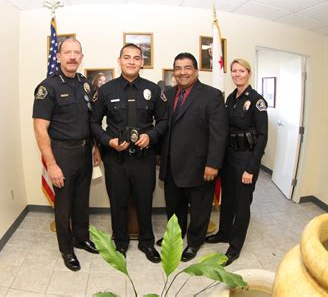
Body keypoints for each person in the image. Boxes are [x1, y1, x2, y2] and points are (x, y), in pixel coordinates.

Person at [90, 44, 168, 263]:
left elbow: (163, 121)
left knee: (145, 201)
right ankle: (121, 243)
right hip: (116, 158)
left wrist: (151, 136)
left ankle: (146, 243)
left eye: (136, 58)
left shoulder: (153, 90)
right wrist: (108, 141)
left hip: (144, 158)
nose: (131, 61)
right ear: (119, 60)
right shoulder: (105, 91)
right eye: (127, 57)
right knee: (118, 202)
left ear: (142, 62)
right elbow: (94, 122)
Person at [32, 38, 101, 272]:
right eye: (67, 52)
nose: (72, 57)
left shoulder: (85, 84)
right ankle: (67, 249)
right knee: (64, 205)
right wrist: (51, 164)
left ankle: (81, 239)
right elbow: (40, 128)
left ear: (82, 57)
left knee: (82, 201)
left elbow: (88, 120)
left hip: (84, 151)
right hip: (61, 153)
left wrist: (95, 147)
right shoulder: (47, 87)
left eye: (77, 53)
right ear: (59, 56)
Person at [158, 52, 227, 262]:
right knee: (174, 207)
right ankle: (175, 238)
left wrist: (213, 164)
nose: (182, 72)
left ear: (196, 71)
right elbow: (165, 128)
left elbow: (219, 133)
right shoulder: (168, 95)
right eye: (178, 68)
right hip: (172, 164)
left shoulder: (212, 95)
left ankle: (195, 242)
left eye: (187, 68)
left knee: (199, 209)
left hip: (200, 166)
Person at [206, 58, 268, 266]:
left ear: (249, 73)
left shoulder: (257, 101)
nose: (237, 74)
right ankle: (224, 232)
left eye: (241, 71)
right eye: (234, 71)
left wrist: (251, 168)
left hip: (246, 159)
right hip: (229, 157)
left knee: (242, 205)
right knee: (229, 200)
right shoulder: (231, 98)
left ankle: (235, 246)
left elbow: (262, 137)